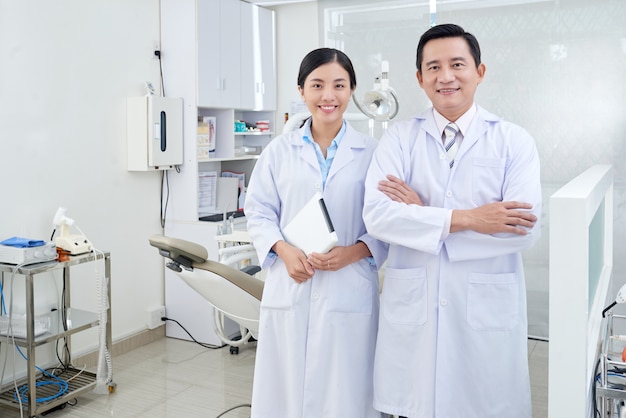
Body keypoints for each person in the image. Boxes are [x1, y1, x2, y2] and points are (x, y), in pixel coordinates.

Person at [363, 24, 542, 418]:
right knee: (415, 406)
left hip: (483, 311)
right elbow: (377, 216)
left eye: (457, 64)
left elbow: (522, 230)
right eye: (434, 67)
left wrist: (421, 216)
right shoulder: (399, 139)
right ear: (420, 79)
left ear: (479, 71)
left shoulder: (513, 141)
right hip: (416, 309)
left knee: (483, 405)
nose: (446, 76)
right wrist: (473, 218)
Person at [244, 47, 388, 418]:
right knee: (286, 391)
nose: (328, 95)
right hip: (293, 282)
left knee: (347, 392)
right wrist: (282, 250)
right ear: (302, 91)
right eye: (318, 85)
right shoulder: (278, 151)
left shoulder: (373, 153)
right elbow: (259, 211)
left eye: (339, 85)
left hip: (348, 285)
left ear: (352, 89)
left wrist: (352, 252)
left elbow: (385, 224)